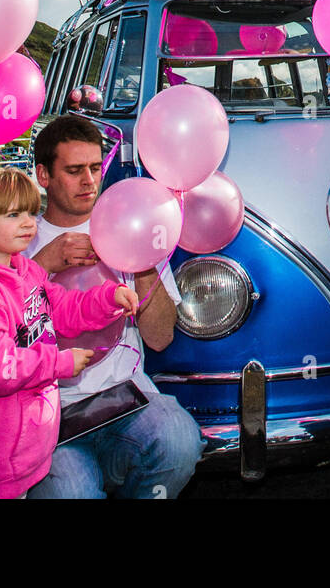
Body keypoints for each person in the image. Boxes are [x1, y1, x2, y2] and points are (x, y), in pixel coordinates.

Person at [24, 115, 204, 499]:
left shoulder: (130, 227)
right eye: (74, 171)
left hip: (125, 400)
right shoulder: (20, 238)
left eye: (94, 168)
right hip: (51, 416)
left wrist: (141, 269)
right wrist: (42, 264)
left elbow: (159, 339)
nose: (89, 181)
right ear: (43, 175)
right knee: (72, 492)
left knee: (179, 440)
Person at [0, 168, 138, 498]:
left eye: (30, 211)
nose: (29, 222)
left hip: (23, 453)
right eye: (13, 214)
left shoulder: (25, 271)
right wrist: (57, 363)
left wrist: (107, 299)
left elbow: (63, 309)